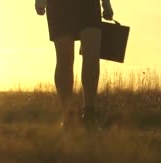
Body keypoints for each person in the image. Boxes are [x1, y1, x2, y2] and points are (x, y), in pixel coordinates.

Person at [35, 0, 114, 130]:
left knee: (92, 55)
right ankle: (68, 115)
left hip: (88, 5)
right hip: (59, 6)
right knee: (64, 60)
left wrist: (107, 4)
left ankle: (89, 113)